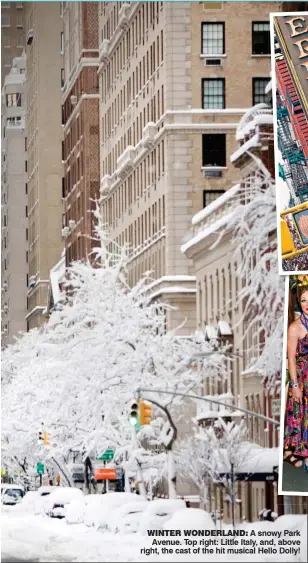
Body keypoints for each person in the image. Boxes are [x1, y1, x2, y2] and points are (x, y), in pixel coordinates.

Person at [284, 281, 308, 471]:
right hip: (303, 378)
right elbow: (291, 358)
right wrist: (294, 385)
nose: (306, 303)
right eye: (303, 300)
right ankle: (298, 451)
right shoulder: (295, 328)